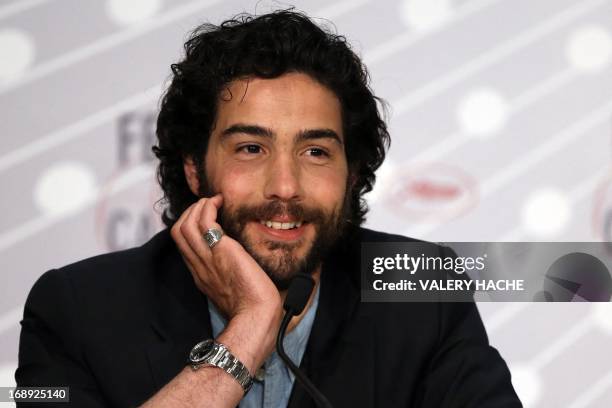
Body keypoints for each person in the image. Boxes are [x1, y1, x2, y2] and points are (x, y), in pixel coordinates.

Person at [16, 10, 522, 408]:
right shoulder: (76, 309)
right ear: (194, 168)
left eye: (316, 152)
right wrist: (249, 327)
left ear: (351, 173)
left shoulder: (422, 289)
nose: (286, 186)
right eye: (250, 148)